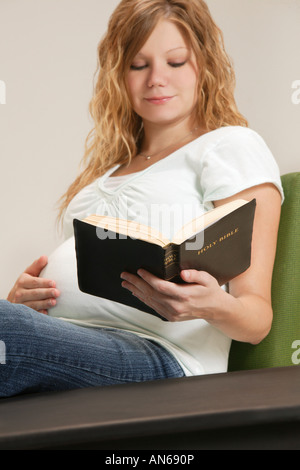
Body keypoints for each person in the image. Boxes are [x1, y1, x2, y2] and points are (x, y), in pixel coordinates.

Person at [0, 0, 283, 398]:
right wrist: (23, 301)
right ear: (120, 75)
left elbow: (258, 319)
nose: (156, 79)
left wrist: (206, 305)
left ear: (205, 65)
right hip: (70, 342)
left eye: (176, 62)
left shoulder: (229, 146)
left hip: (163, 359)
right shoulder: (104, 174)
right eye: (138, 65)